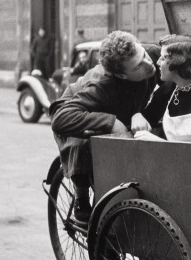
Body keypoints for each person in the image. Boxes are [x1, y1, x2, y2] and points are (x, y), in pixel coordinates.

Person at [50, 30, 159, 223]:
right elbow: (61, 119)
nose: (148, 64)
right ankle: (81, 193)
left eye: (143, 54)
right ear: (121, 75)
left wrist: (140, 114)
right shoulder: (101, 86)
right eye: (137, 67)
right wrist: (111, 122)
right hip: (78, 107)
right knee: (82, 143)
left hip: (124, 108)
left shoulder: (153, 54)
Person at [131, 34, 191, 143]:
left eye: (163, 58)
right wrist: (137, 116)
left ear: (179, 64)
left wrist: (160, 144)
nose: (158, 62)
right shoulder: (169, 89)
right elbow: (148, 117)